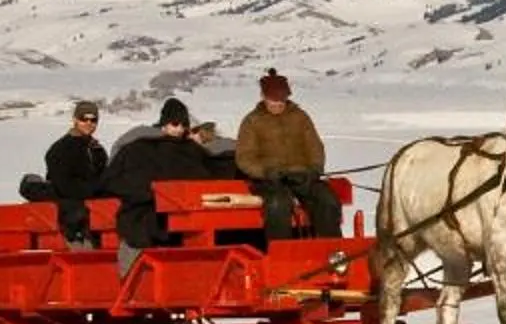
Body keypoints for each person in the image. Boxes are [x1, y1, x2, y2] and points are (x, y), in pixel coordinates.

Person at [233, 69, 339, 241]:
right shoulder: (252, 121)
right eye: (273, 100)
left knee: (327, 200)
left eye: (281, 100)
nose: (277, 104)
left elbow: (315, 147)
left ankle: (333, 252)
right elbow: (244, 158)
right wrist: (266, 172)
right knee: (278, 205)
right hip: (269, 181)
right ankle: (282, 253)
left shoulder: (300, 117)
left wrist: (314, 170)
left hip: (301, 176)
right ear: (263, 96)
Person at [106, 98, 217, 260]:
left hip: (184, 218)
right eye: (175, 123)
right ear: (164, 123)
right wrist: (149, 193)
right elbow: (113, 181)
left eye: (183, 125)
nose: (179, 129)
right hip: (147, 215)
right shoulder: (140, 148)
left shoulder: (192, 151)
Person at [43, 99, 108, 248]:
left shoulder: (97, 150)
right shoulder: (60, 150)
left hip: (95, 217)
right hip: (69, 220)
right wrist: (95, 190)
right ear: (74, 120)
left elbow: (104, 177)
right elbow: (63, 185)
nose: (89, 123)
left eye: (93, 120)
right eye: (83, 118)